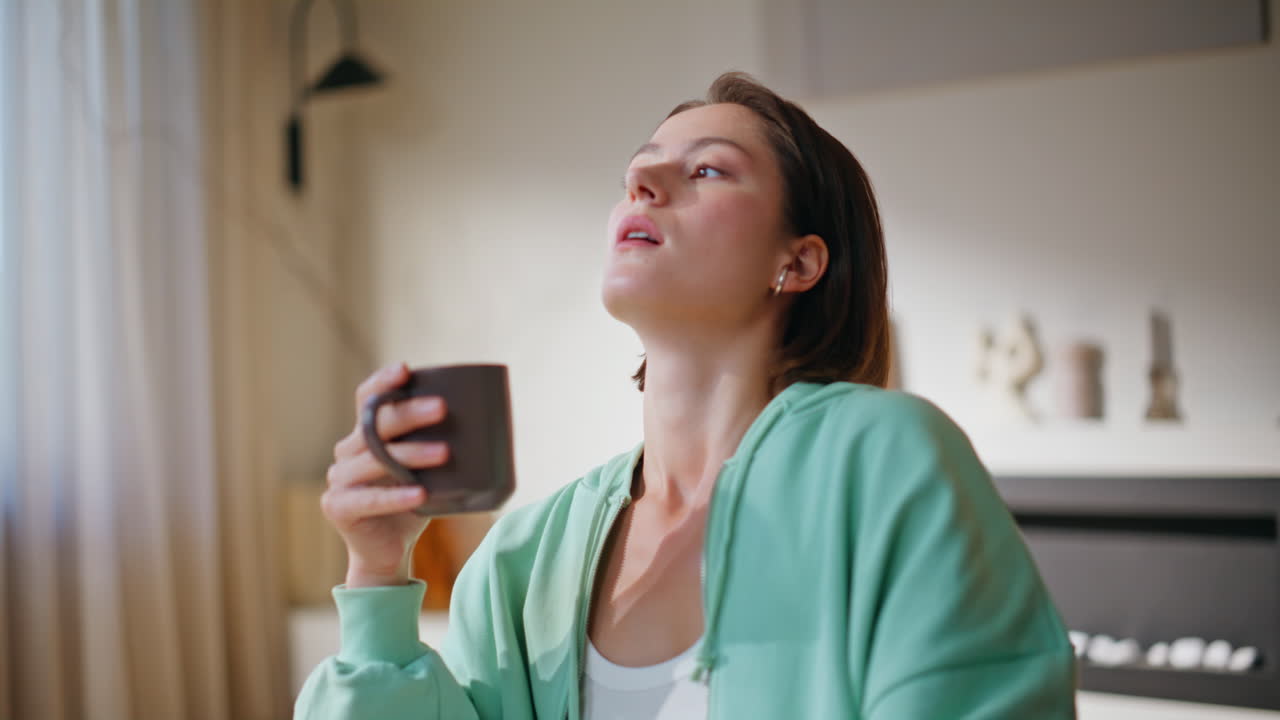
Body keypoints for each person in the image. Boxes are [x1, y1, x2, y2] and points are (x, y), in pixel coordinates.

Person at [295, 72, 1078, 719]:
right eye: (639, 168)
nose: (642, 182)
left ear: (798, 262)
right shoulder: (524, 560)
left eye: (707, 169)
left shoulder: (886, 461)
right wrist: (377, 568)